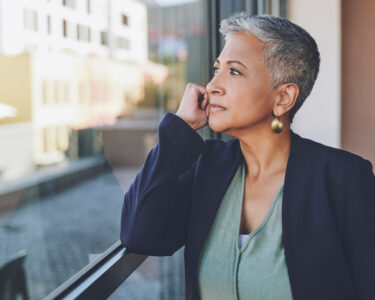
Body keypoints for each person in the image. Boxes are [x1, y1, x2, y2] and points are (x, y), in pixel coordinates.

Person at [120, 12, 375, 300]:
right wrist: (180, 129)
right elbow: (139, 234)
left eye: (235, 71)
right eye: (217, 69)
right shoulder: (208, 167)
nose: (213, 85)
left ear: (283, 98)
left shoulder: (345, 180)